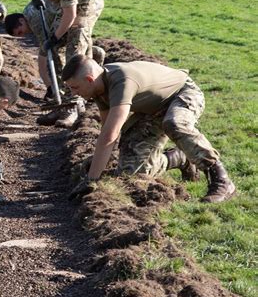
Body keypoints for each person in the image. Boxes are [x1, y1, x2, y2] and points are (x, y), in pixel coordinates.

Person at [62, 55, 236, 204]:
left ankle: (221, 179)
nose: (73, 93)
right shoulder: (98, 89)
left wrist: (92, 180)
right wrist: (99, 167)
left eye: (74, 87)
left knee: (175, 123)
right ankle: (179, 158)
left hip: (183, 93)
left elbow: (110, 134)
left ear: (89, 79)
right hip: (153, 109)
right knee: (132, 173)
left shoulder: (121, 81)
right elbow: (109, 132)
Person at [27, 0, 105, 127]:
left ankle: (74, 105)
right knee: (52, 49)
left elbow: (71, 15)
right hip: (65, 6)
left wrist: (54, 38)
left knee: (74, 53)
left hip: (85, 5)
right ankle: (61, 102)